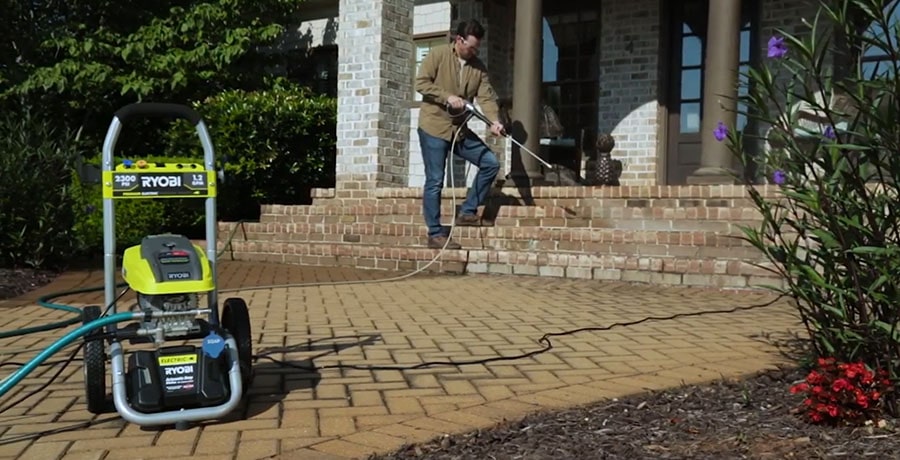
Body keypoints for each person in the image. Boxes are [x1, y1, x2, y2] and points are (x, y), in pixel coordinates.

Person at [414, 19, 505, 250]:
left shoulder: (479, 68)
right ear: (459, 40)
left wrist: (495, 120)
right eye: (471, 47)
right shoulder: (438, 55)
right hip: (434, 127)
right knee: (435, 180)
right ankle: (435, 233)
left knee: (490, 163)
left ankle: (467, 211)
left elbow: (486, 97)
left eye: (477, 48)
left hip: (459, 131)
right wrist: (447, 96)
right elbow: (421, 83)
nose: (474, 52)